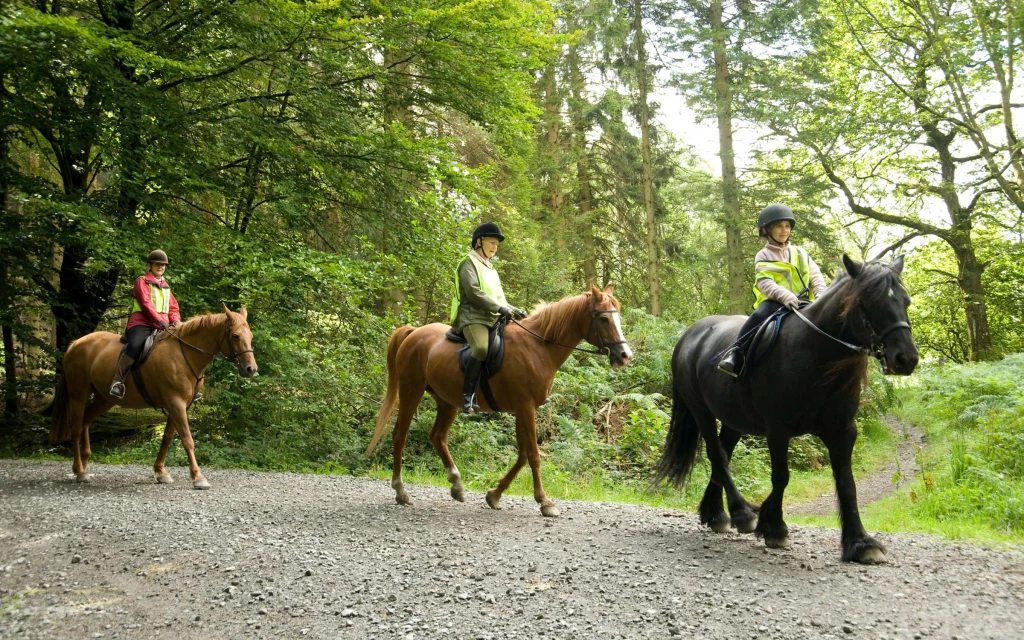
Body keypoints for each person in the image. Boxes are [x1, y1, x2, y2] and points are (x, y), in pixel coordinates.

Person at [717, 204, 827, 377]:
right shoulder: (763, 255)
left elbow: (816, 276)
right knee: (758, 316)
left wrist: (821, 294)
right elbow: (765, 282)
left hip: (804, 302)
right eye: (779, 226)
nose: (784, 230)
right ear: (766, 230)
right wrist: (785, 296)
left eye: (787, 226)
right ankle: (736, 352)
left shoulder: (800, 252)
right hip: (775, 303)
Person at [450, 222, 528, 413]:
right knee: (481, 348)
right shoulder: (468, 263)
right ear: (479, 242)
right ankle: (468, 396)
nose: (495, 247)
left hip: (492, 317)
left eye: (496, 244)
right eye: (491, 242)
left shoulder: (490, 269)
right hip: (472, 317)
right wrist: (499, 308)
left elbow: (499, 299)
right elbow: (474, 292)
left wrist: (514, 309)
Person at [109, 249, 181, 399]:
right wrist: (159, 320)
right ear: (150, 265)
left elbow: (173, 307)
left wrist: (175, 320)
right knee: (135, 345)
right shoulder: (142, 281)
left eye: (163, 265)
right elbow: (146, 304)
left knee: (178, 346)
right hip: (142, 322)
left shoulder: (166, 286)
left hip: (163, 325)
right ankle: (117, 381)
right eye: (157, 264)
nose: (160, 267)